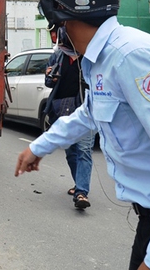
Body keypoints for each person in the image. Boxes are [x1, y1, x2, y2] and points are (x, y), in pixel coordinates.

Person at [14, 0, 150, 270]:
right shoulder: (100, 59)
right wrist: (40, 146)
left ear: (59, 13)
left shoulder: (131, 56)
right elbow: (91, 112)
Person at [44, 27, 94, 209]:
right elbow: (48, 82)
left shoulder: (89, 57)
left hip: (86, 111)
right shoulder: (57, 56)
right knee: (71, 151)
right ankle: (78, 184)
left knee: (84, 150)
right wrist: (50, 76)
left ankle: (82, 192)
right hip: (62, 111)